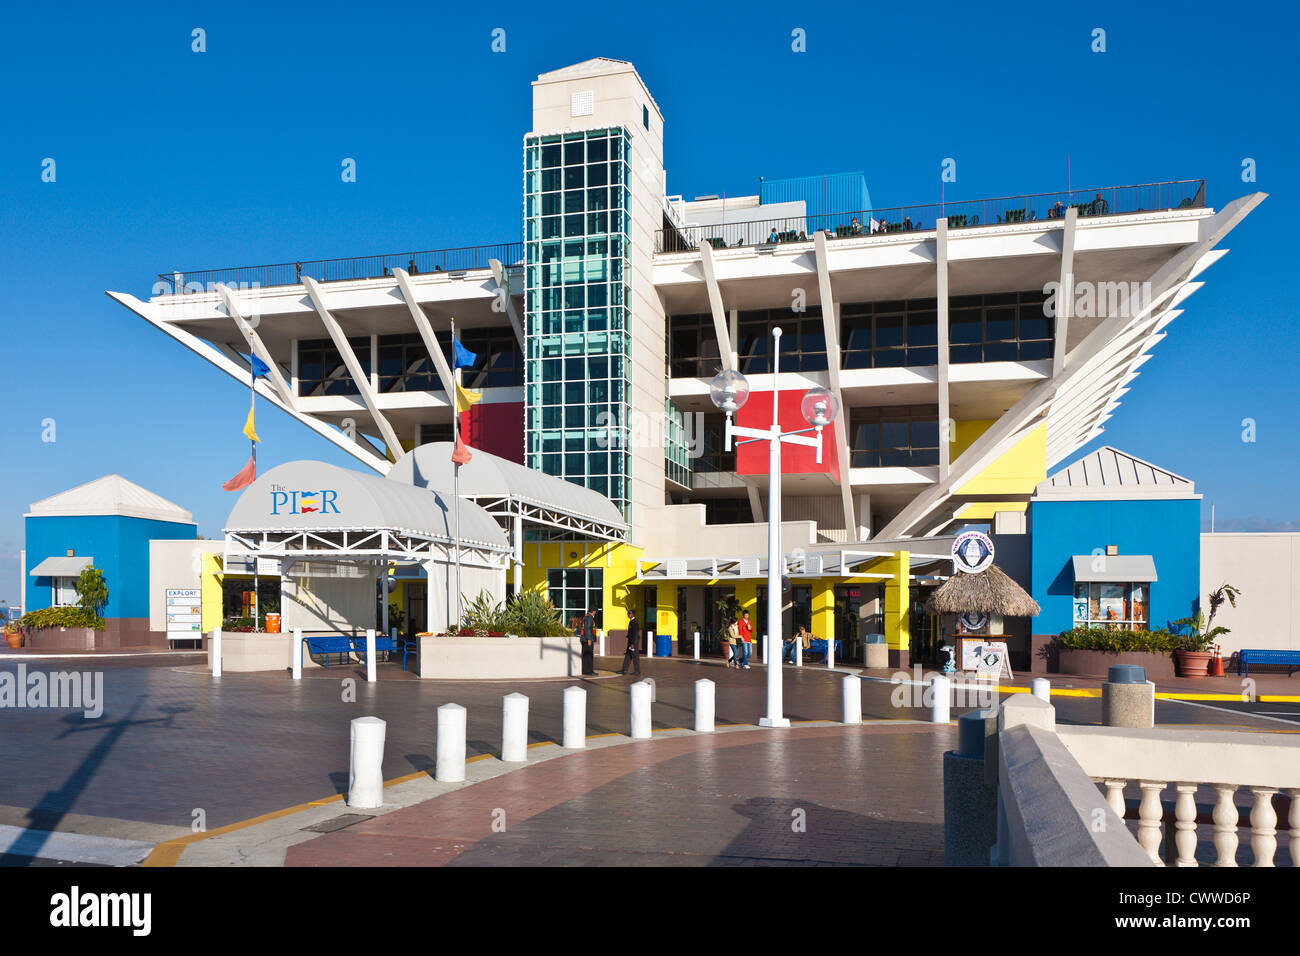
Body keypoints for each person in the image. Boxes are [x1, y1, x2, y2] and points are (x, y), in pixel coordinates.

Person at [616, 608, 641, 676]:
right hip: (630, 641)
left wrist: (633, 643)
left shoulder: (634, 622)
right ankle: (624, 670)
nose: (628, 614)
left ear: (633, 614)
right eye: (627, 613)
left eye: (629, 613)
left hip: (633, 643)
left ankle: (637, 671)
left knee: (635, 656)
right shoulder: (631, 621)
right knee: (628, 656)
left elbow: (635, 634)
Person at [580, 604, 598, 676]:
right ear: (593, 611)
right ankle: (589, 671)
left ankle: (586, 670)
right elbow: (587, 629)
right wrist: (589, 639)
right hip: (587, 640)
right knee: (589, 656)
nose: (596, 612)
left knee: (586, 656)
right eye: (595, 611)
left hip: (585, 639)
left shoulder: (587, 617)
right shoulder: (589, 618)